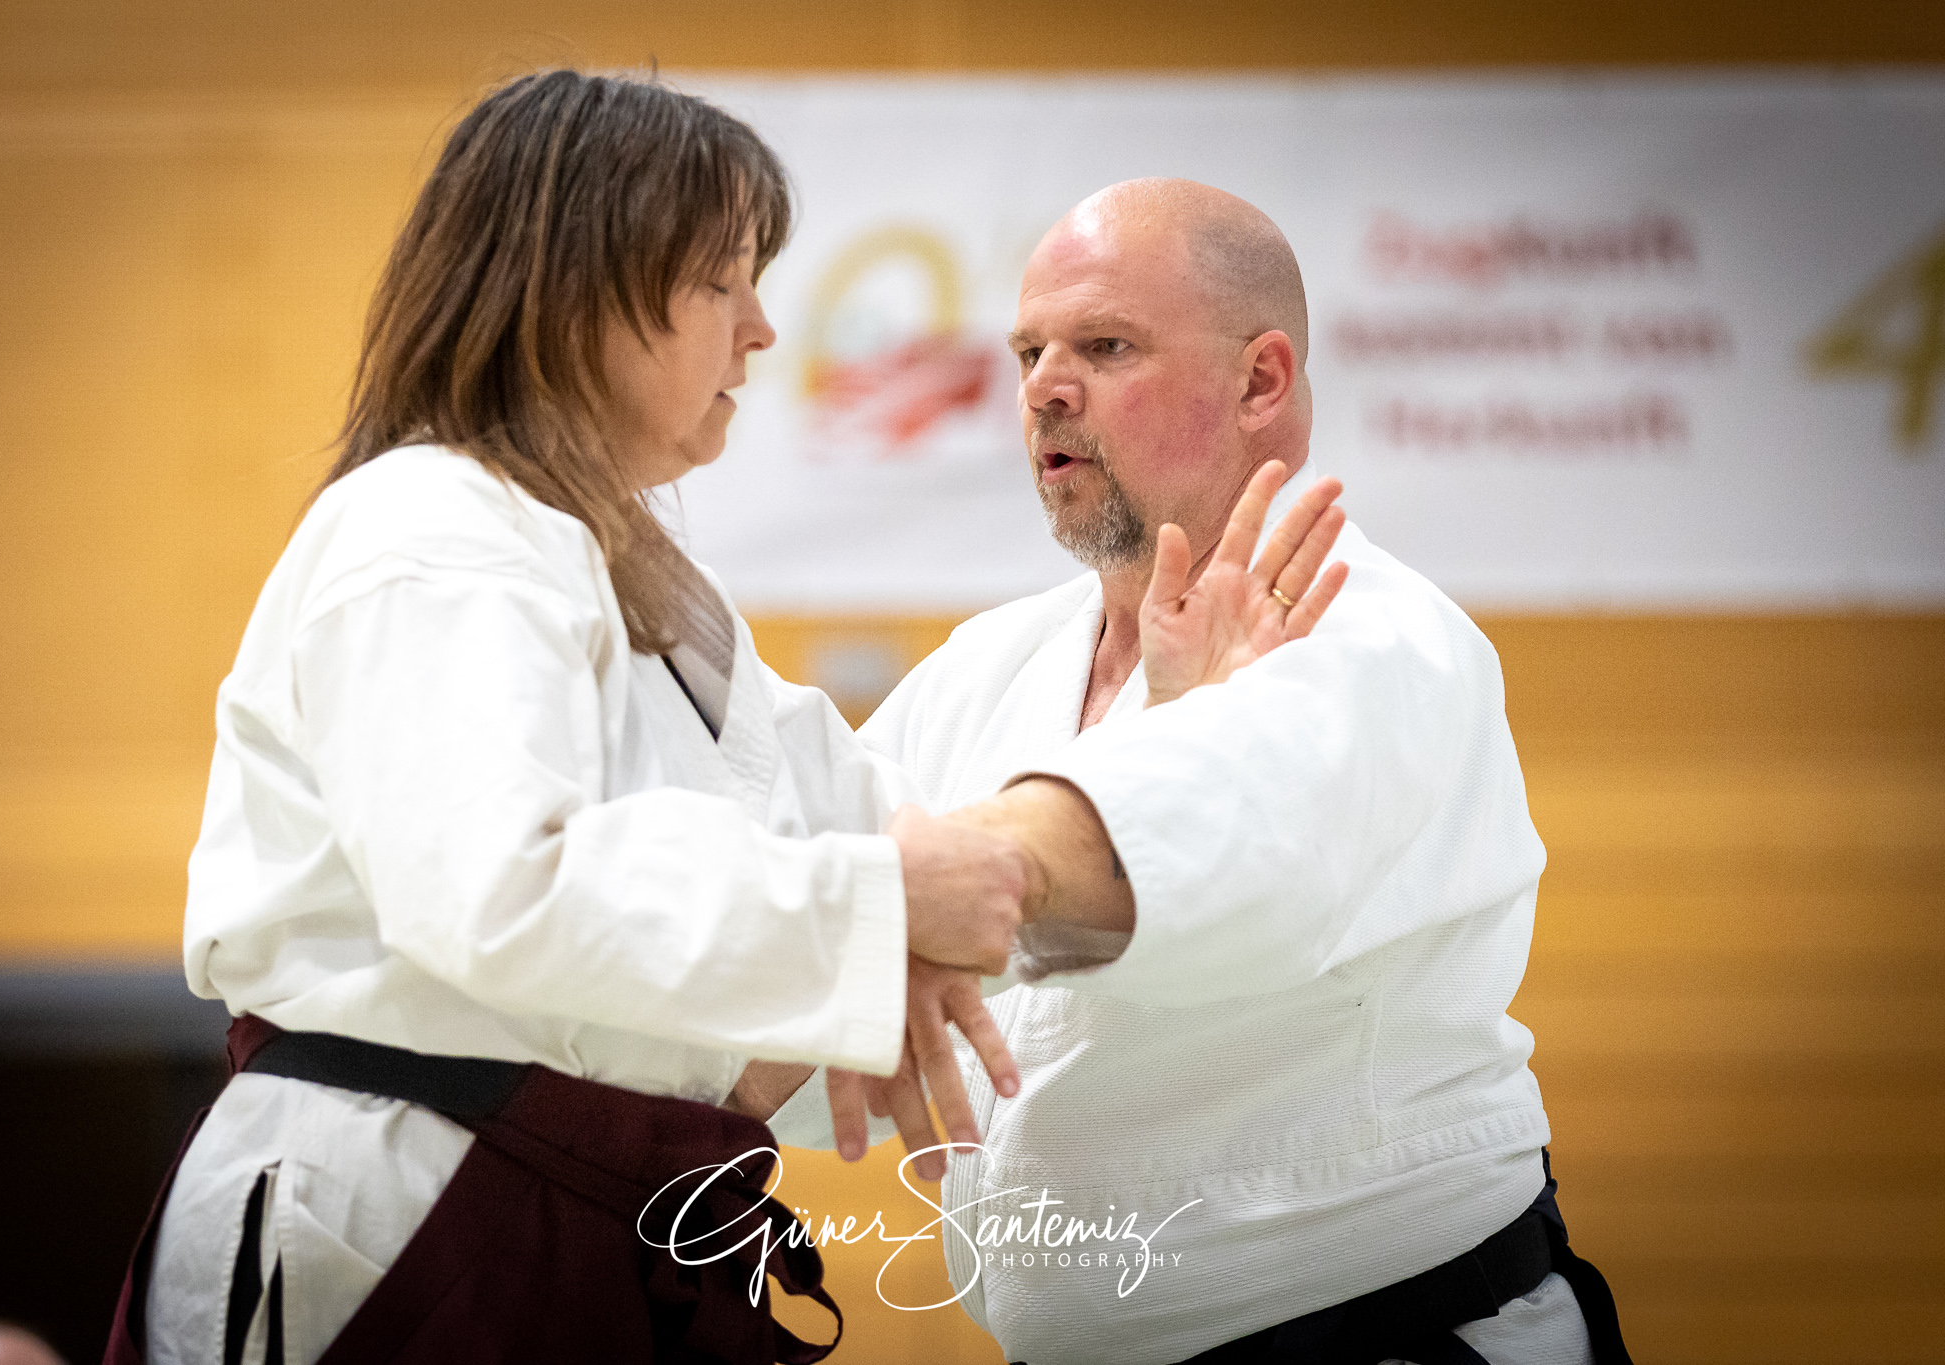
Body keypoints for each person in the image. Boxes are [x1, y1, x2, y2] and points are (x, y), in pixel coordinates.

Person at [103, 78, 1348, 1365]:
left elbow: (888, 833)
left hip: (574, 1202)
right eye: (722, 281)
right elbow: (496, 887)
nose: (760, 329)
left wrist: (1169, 726)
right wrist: (887, 909)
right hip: (388, 1208)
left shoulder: (654, 592)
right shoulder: (428, 528)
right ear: (580, 286)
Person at [761, 180, 1631, 1365]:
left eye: (1103, 346)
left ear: (1260, 381)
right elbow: (809, 933)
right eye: (1028, 350)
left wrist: (936, 887)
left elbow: (1221, 835)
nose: (1041, 387)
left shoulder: (1373, 636)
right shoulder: (987, 668)